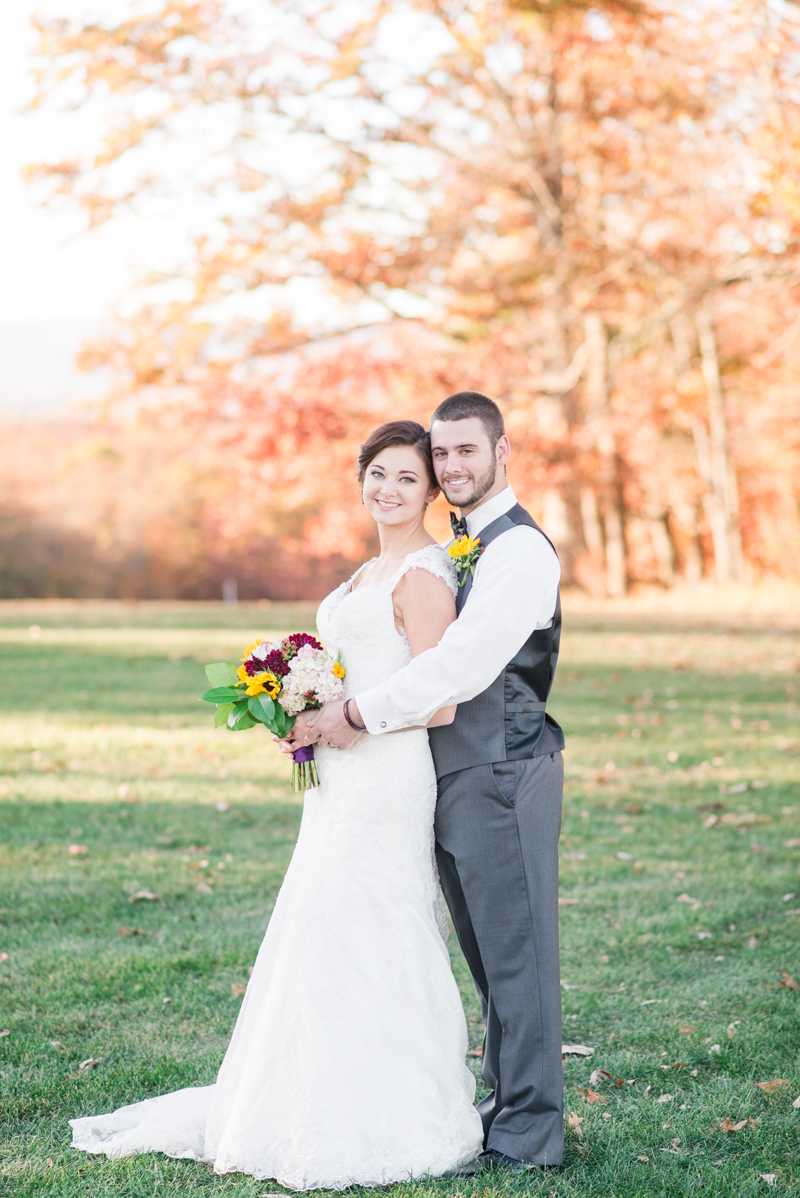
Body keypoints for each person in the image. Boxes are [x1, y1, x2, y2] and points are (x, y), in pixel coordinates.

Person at [69, 420, 484, 1189]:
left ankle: (381, 1107)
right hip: (337, 777)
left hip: (388, 775)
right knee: (317, 921)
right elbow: (353, 670)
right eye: (378, 474)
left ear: (431, 492)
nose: (388, 490)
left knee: (366, 919)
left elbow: (443, 701)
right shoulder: (365, 573)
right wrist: (303, 711)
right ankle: (299, 1092)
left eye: (407, 479)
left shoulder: (424, 575)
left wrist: (351, 718)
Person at [306, 391, 565, 1171]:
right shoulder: (464, 542)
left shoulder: (519, 550)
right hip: (444, 775)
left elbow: (459, 666)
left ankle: (530, 1135)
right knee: (489, 961)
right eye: (442, 454)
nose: (452, 466)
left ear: (501, 451)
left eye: (465, 452)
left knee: (519, 961)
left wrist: (359, 710)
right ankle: (502, 1107)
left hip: (504, 767)